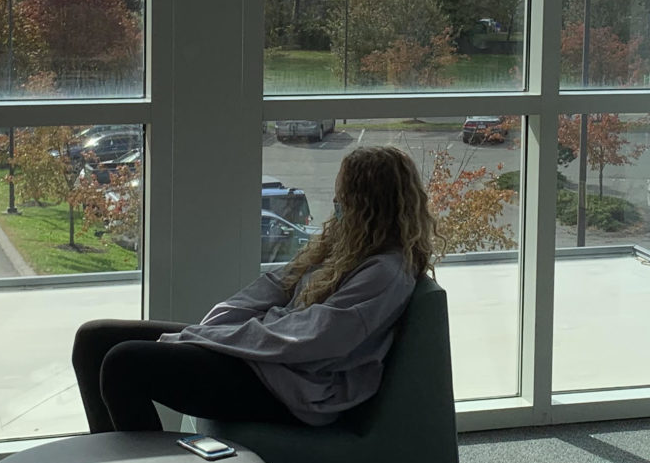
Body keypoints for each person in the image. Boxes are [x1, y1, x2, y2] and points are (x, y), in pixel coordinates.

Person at [72, 144, 434, 432]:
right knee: (94, 339)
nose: (336, 209)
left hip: (293, 390)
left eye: (344, 201)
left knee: (125, 364)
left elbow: (316, 339)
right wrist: (216, 328)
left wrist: (225, 339)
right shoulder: (343, 248)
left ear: (369, 207)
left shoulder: (385, 273)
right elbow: (274, 286)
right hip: (262, 359)